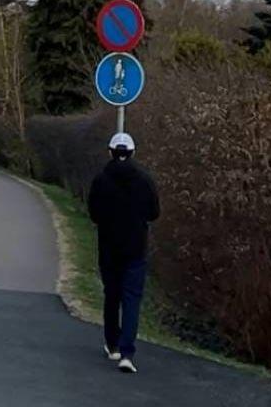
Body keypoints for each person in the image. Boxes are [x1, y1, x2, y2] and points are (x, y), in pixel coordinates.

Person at [87, 132, 160, 374]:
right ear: (132, 153)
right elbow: (154, 213)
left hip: (109, 247)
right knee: (131, 300)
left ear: (110, 152)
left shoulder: (100, 180)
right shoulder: (144, 180)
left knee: (112, 295)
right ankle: (127, 353)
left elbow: (94, 214)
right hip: (136, 248)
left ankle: (112, 344)